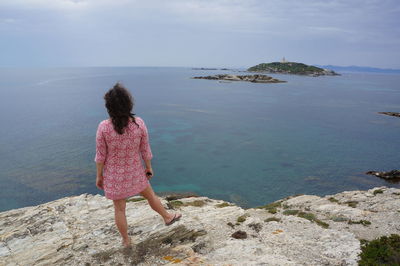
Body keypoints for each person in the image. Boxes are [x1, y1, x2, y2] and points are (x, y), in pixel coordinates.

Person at [94, 82, 182, 247]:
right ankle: (168, 217)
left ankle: (126, 241)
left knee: (119, 210)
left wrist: (99, 176)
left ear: (109, 106)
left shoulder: (104, 127)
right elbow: (145, 149)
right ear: (128, 103)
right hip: (135, 172)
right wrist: (148, 167)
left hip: (114, 176)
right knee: (150, 196)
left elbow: (100, 156)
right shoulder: (139, 123)